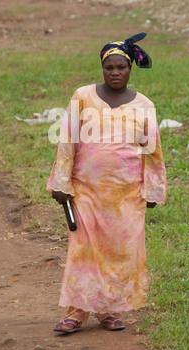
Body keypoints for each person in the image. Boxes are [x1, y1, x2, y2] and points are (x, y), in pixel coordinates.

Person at [47, 33, 167, 333]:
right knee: (84, 250)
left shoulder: (144, 105)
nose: (115, 73)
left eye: (121, 67)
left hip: (127, 194)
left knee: (119, 252)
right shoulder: (83, 96)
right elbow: (68, 139)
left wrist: (152, 188)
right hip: (86, 189)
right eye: (109, 67)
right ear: (102, 68)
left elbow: (152, 151)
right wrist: (61, 181)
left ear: (130, 68)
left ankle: (109, 310)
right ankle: (76, 312)